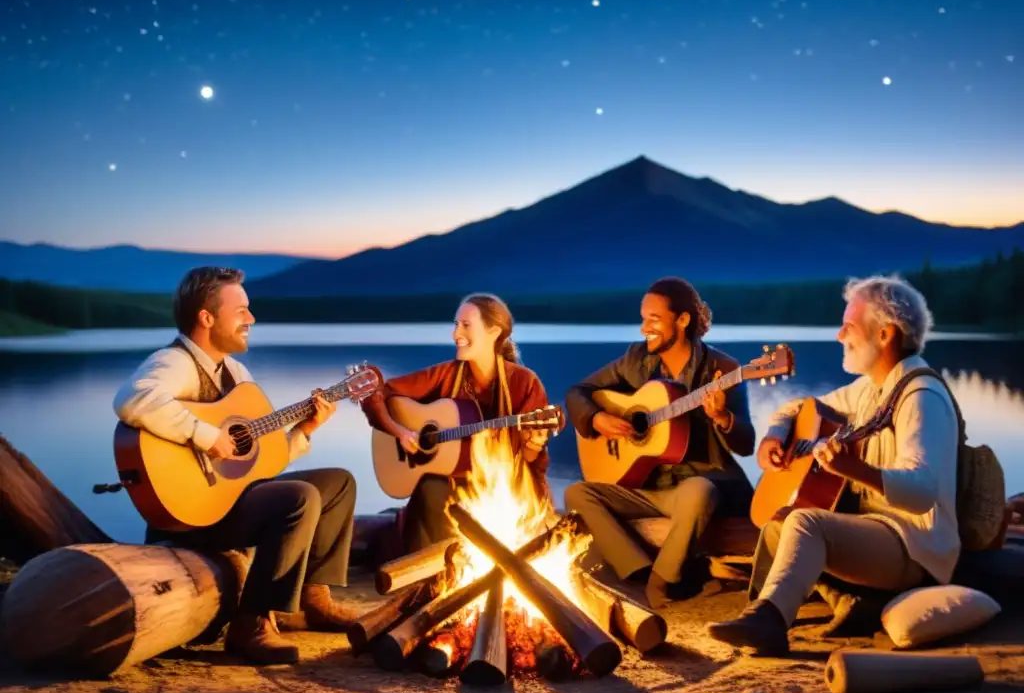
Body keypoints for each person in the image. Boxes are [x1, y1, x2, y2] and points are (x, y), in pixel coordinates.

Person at [113, 267, 360, 665]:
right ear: (206, 318)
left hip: (226, 498)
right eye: (241, 310)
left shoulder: (236, 374)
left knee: (339, 484)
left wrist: (304, 431)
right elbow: (133, 400)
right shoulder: (173, 362)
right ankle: (252, 624)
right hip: (189, 513)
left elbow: (256, 460)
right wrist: (208, 437)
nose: (251, 319)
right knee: (298, 497)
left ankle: (312, 601)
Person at [707, 275, 959, 656]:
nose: (840, 335)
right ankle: (776, 609)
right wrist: (774, 438)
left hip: (915, 546)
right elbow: (794, 408)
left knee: (807, 522)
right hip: (873, 528)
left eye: (849, 326)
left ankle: (771, 625)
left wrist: (856, 471)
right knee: (779, 521)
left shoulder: (921, 396)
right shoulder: (871, 389)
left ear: (886, 334)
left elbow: (923, 491)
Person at [563, 277, 756, 609]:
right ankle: (637, 571)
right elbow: (578, 392)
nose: (643, 328)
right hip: (647, 484)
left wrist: (723, 418)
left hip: (699, 484)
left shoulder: (722, 370)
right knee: (578, 493)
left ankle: (661, 582)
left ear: (682, 320)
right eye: (643, 318)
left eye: (653, 319)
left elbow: (747, 442)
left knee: (700, 491)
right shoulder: (636, 360)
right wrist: (597, 419)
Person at [362, 293, 554, 552]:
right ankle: (426, 574)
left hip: (506, 491)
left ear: (494, 331)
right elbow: (378, 393)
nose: (455, 335)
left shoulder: (524, 383)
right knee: (429, 488)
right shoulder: (447, 374)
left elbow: (533, 465)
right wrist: (400, 431)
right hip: (454, 489)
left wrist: (533, 446)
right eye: (455, 324)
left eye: (465, 325)